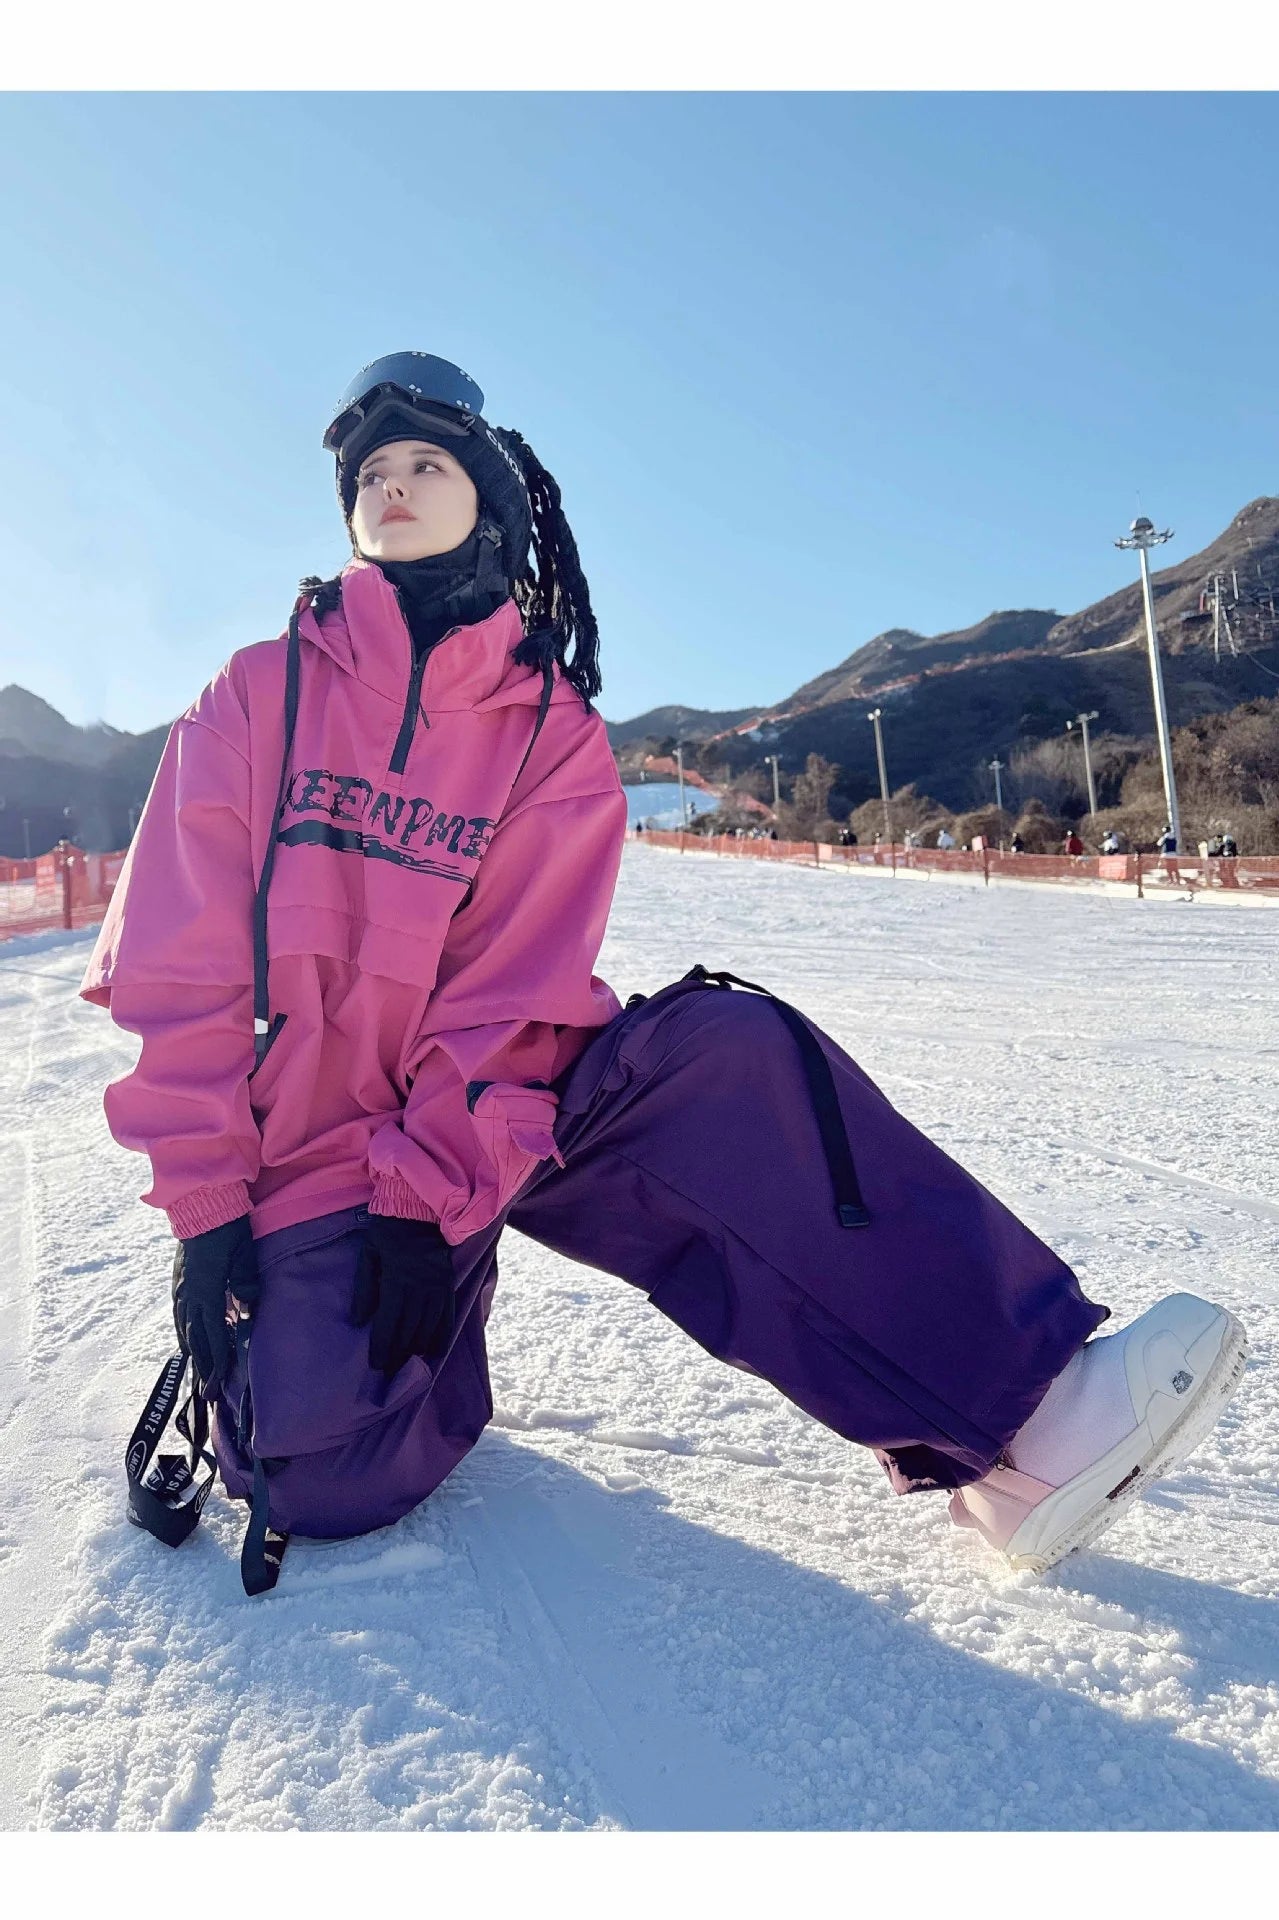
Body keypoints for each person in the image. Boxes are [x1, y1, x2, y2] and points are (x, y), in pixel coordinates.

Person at [81, 350, 1248, 1594]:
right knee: (320, 1478)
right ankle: (402, 1333)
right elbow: (179, 961)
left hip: (504, 1111)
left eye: (427, 463)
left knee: (725, 1059)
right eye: (372, 474)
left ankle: (1031, 1422)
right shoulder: (258, 693)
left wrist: (426, 1192)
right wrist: (209, 1206)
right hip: (315, 1142)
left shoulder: (549, 731)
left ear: (494, 501)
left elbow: (509, 990)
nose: (395, 486)